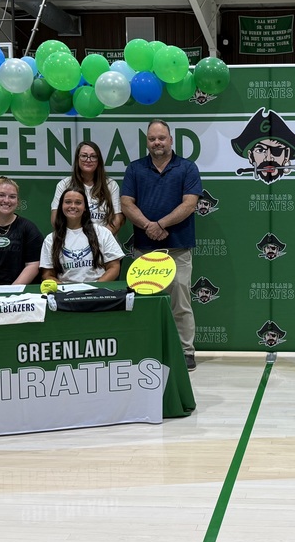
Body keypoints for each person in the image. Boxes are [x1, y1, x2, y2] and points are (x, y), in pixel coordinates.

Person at [121, 119, 203, 370]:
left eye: (161, 138)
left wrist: (161, 224)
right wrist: (149, 226)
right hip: (144, 248)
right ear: (147, 142)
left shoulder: (187, 168)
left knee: (180, 302)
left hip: (178, 247)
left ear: (170, 140)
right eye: (152, 138)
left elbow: (189, 204)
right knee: (145, 302)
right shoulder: (135, 168)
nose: (157, 142)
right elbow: (126, 203)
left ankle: (185, 351)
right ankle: (148, 350)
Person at [40, 188, 123, 283]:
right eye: (68, 202)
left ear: (85, 208)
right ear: (61, 206)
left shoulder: (102, 233)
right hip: (65, 290)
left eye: (78, 203)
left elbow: (114, 267)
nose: (73, 206)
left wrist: (95, 287)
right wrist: (64, 288)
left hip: (97, 289)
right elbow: (47, 274)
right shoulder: (51, 239)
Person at [50, 140, 123, 234]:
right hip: (73, 239)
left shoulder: (111, 185)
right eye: (84, 156)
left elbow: (117, 218)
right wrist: (76, 239)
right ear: (77, 158)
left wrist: (101, 239)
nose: (88, 160)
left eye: (93, 156)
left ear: (99, 160)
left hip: (104, 240)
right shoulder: (64, 185)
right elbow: (55, 218)